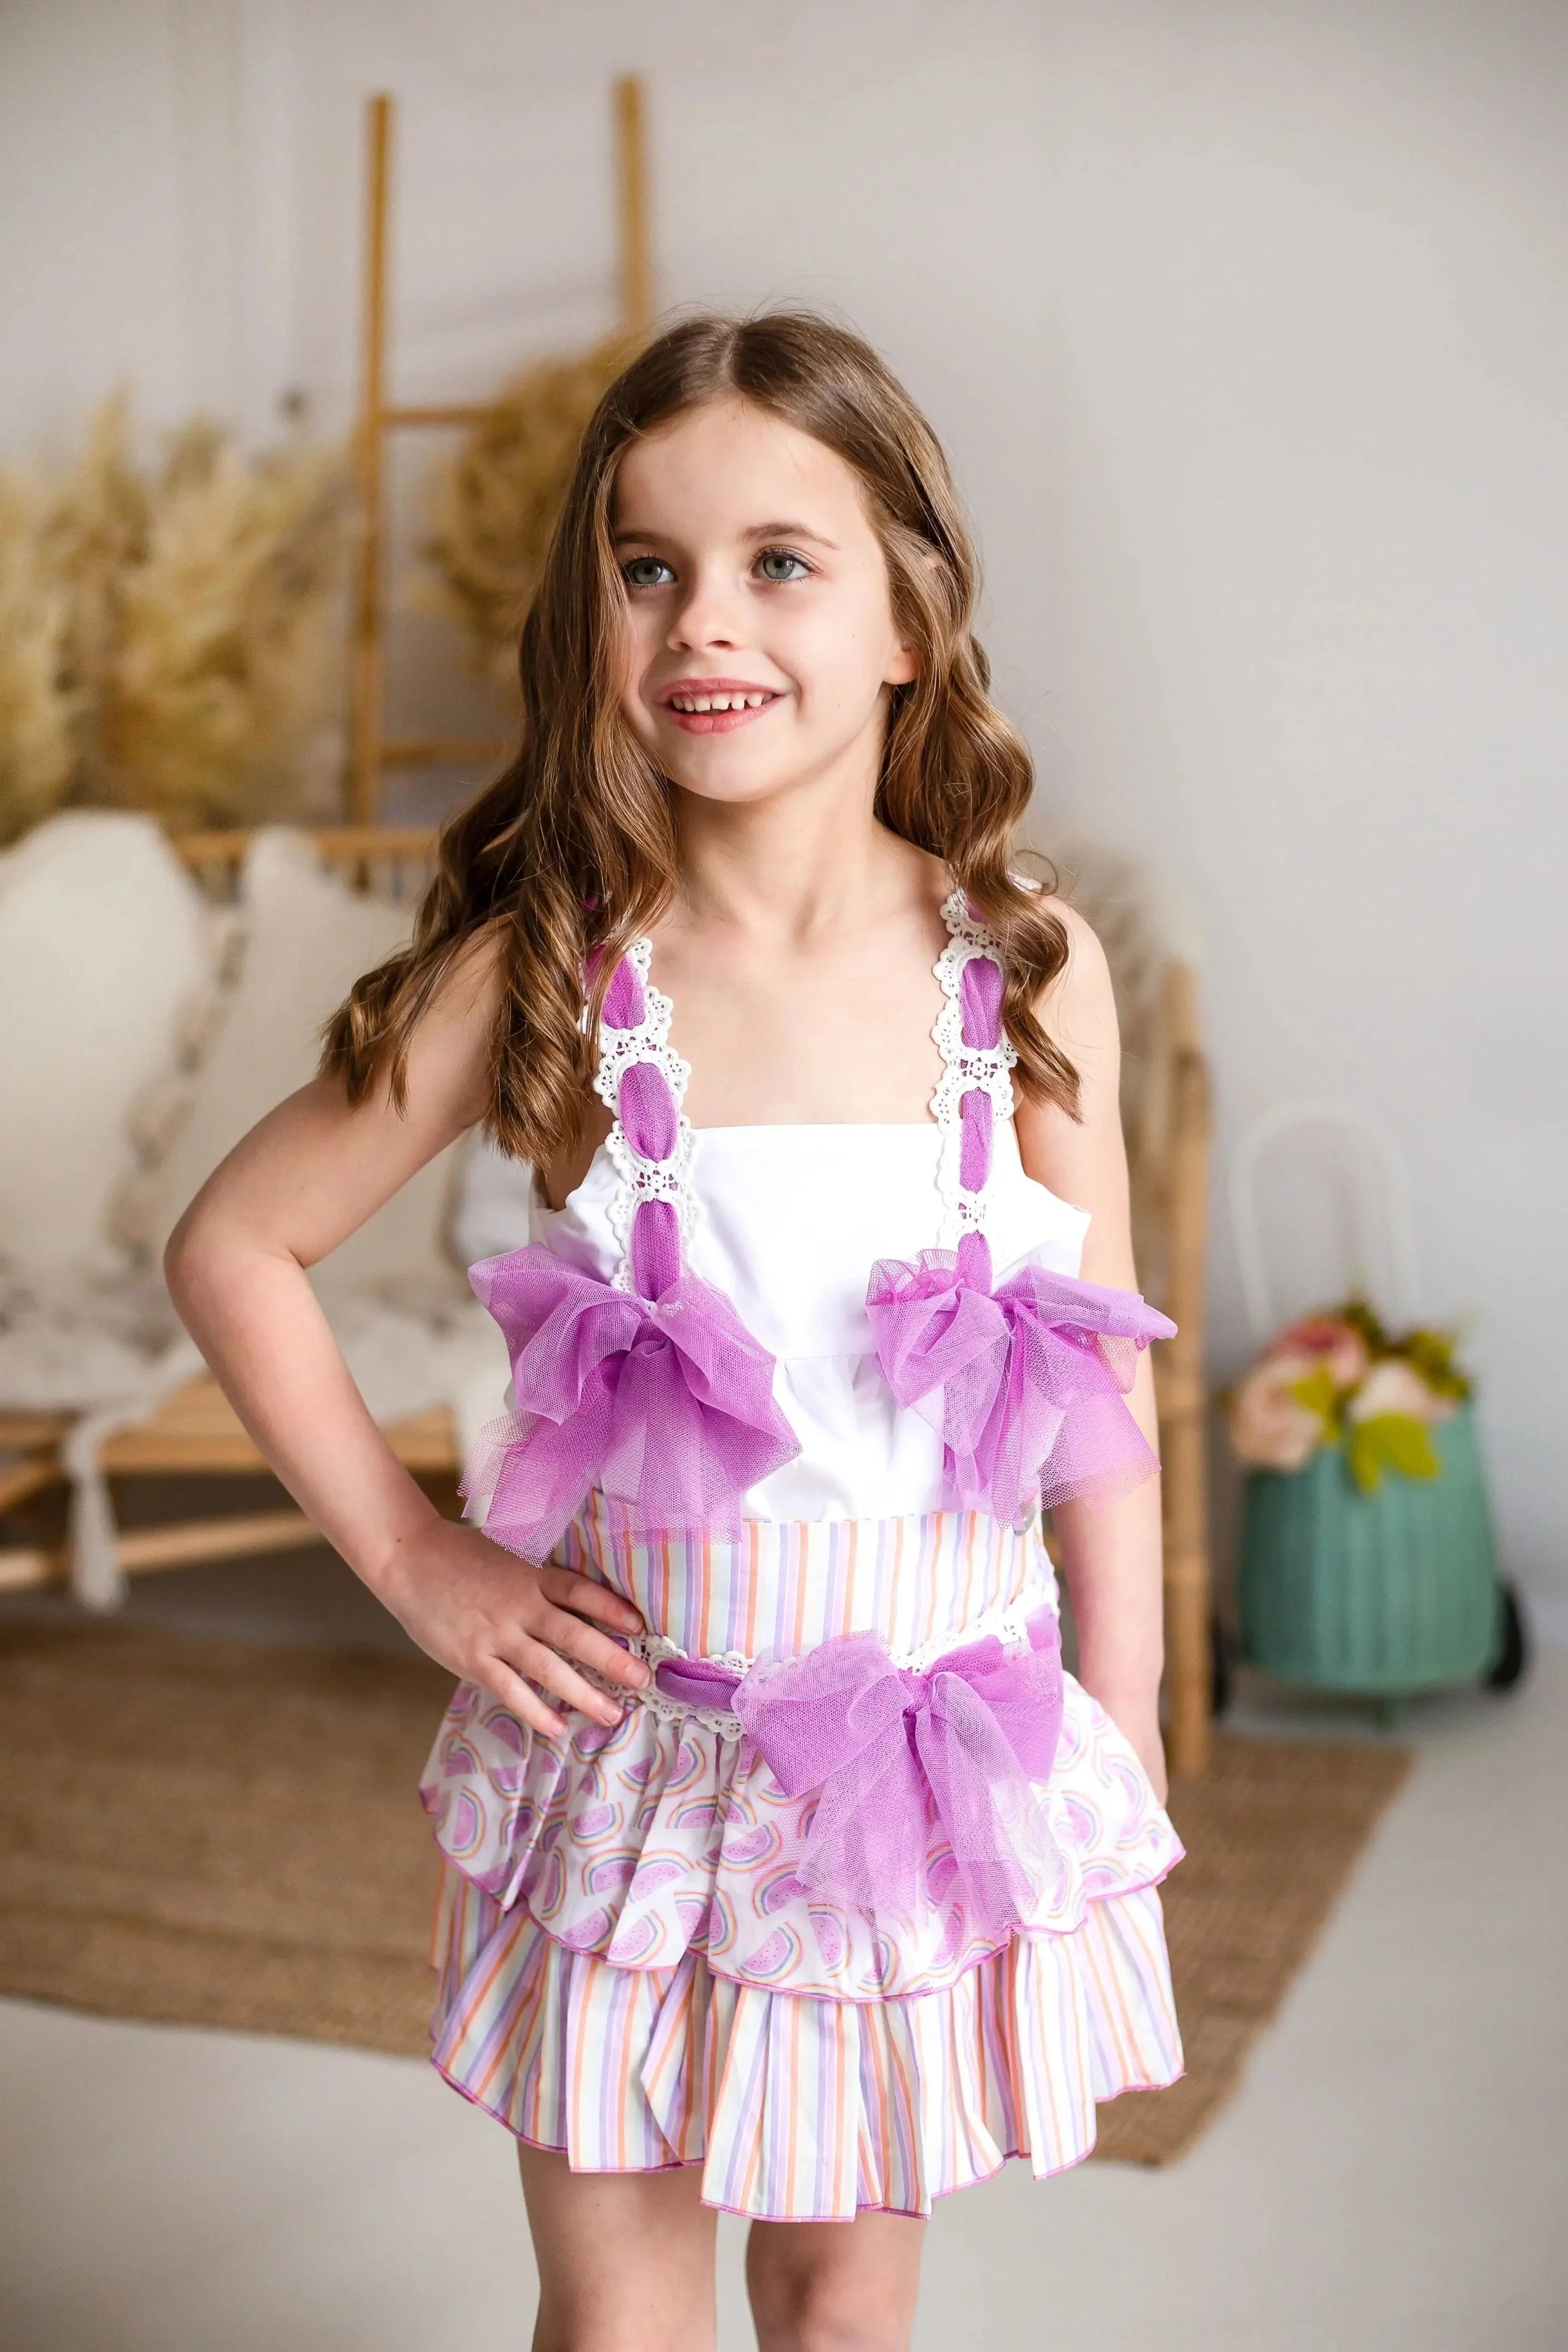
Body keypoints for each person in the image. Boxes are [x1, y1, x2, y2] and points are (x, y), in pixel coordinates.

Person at [165, 311, 1185, 2352]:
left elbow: (1102, 1383)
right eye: (647, 566)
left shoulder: (1019, 967)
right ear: (597, 613)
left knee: (832, 2306)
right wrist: (414, 1553)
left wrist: (1124, 1715)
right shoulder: (553, 967)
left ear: (906, 611)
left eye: (775, 560)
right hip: (632, 1772)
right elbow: (235, 1243)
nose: (701, 618)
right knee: (617, 2319)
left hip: (906, 1775)